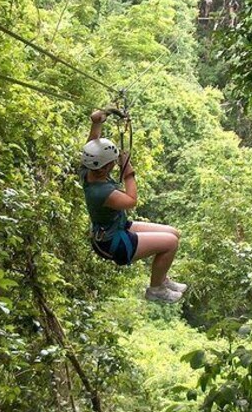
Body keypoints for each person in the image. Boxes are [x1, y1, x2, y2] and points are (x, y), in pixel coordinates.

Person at [80, 110, 186, 303]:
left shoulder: (89, 170)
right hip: (113, 243)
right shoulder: (102, 192)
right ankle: (156, 289)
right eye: (113, 162)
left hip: (115, 227)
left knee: (174, 233)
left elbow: (92, 145)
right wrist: (128, 171)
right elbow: (131, 200)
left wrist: (96, 124)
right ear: (106, 167)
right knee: (171, 243)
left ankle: (162, 278)